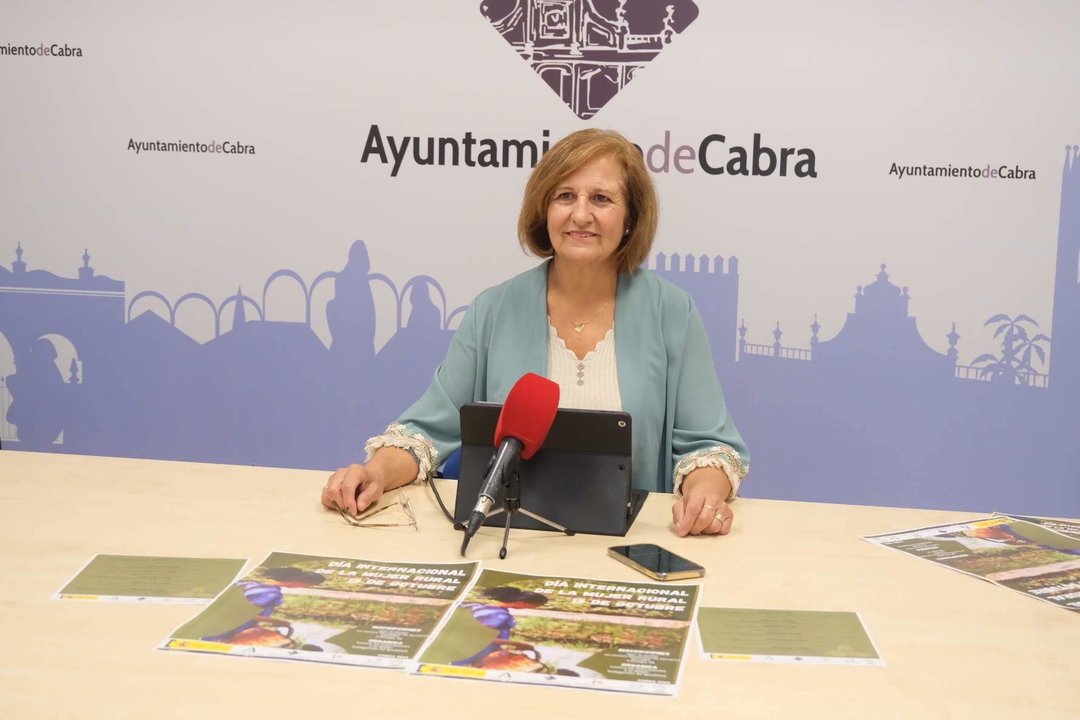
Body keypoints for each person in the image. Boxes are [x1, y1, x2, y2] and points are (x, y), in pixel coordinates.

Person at [322, 128, 749, 537]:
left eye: (601, 198)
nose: (581, 214)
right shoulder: (494, 309)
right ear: (544, 211)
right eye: (565, 196)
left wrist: (704, 495)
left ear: (631, 219)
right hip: (511, 541)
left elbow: (707, 446)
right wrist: (374, 473)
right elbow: (426, 432)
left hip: (627, 544)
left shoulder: (672, 312)